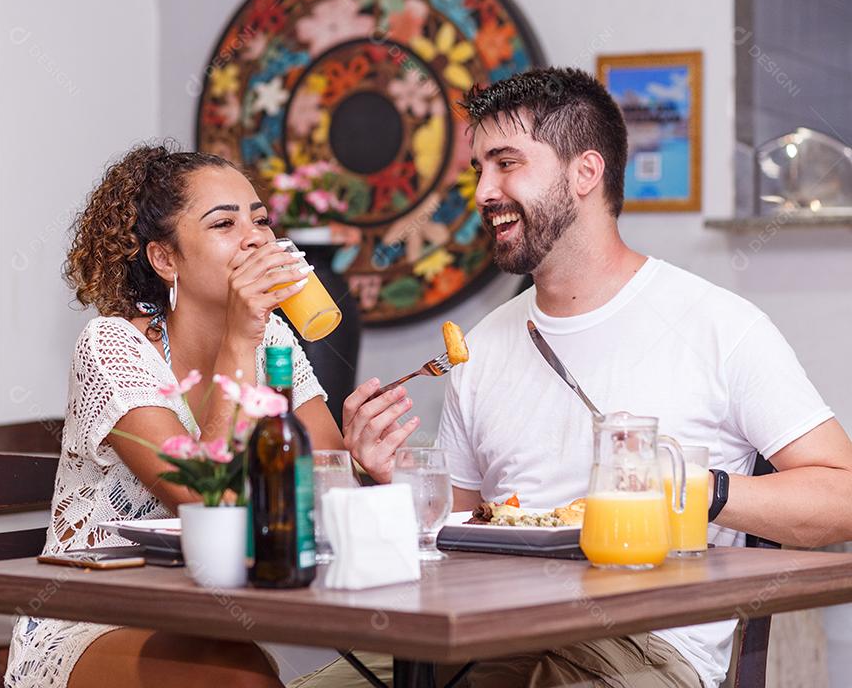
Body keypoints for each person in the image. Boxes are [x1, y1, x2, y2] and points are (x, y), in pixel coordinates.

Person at [297, 67, 852, 688]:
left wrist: (698, 491)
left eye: (507, 164)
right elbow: (459, 528)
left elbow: (843, 496)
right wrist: (385, 476)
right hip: (488, 629)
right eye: (479, 170)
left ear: (585, 172)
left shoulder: (721, 326)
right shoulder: (483, 346)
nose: (483, 192)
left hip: (643, 645)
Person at [3, 143, 420, 688]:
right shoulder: (111, 346)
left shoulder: (274, 337)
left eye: (261, 220)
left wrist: (362, 468)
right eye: (224, 223)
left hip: (209, 616)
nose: (256, 237)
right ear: (165, 259)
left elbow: (323, 494)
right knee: (241, 678)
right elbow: (207, 500)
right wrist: (240, 339)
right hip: (97, 617)